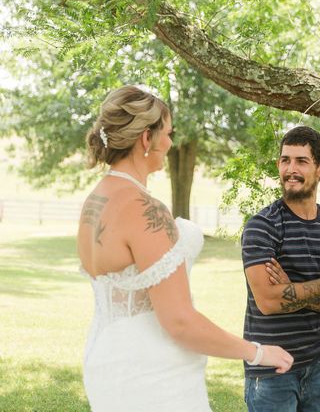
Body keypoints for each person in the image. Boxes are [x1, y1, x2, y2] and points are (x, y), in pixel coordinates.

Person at [77, 85, 293, 412]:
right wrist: (258, 352)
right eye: (167, 132)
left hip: (105, 358)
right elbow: (178, 321)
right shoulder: (144, 208)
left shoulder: (93, 203)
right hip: (152, 370)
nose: (170, 142)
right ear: (146, 139)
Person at [241, 126, 320, 412]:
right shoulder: (262, 226)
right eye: (285, 160)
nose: (291, 169)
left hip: (317, 366)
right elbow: (268, 301)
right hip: (270, 369)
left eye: (301, 161)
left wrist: (291, 289)